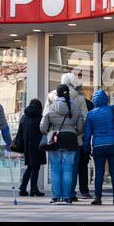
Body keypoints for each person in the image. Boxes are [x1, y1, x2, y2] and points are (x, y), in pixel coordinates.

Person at [43, 73, 88, 201]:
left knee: (55, 168)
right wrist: (79, 133)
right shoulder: (79, 98)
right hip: (72, 137)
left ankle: (56, 196)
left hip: (54, 137)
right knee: (70, 168)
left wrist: (48, 131)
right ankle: (69, 194)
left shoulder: (51, 97)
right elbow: (83, 119)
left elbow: (45, 117)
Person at [17, 99, 47, 197]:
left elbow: (19, 133)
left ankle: (23, 188)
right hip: (38, 146)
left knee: (30, 167)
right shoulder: (40, 118)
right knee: (35, 167)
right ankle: (33, 189)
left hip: (27, 145)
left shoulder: (24, 117)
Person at [71, 85, 94, 200]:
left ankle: (71, 191)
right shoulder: (88, 104)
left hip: (71, 137)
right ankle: (84, 190)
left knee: (72, 166)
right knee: (83, 165)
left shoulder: (68, 103)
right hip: (84, 138)